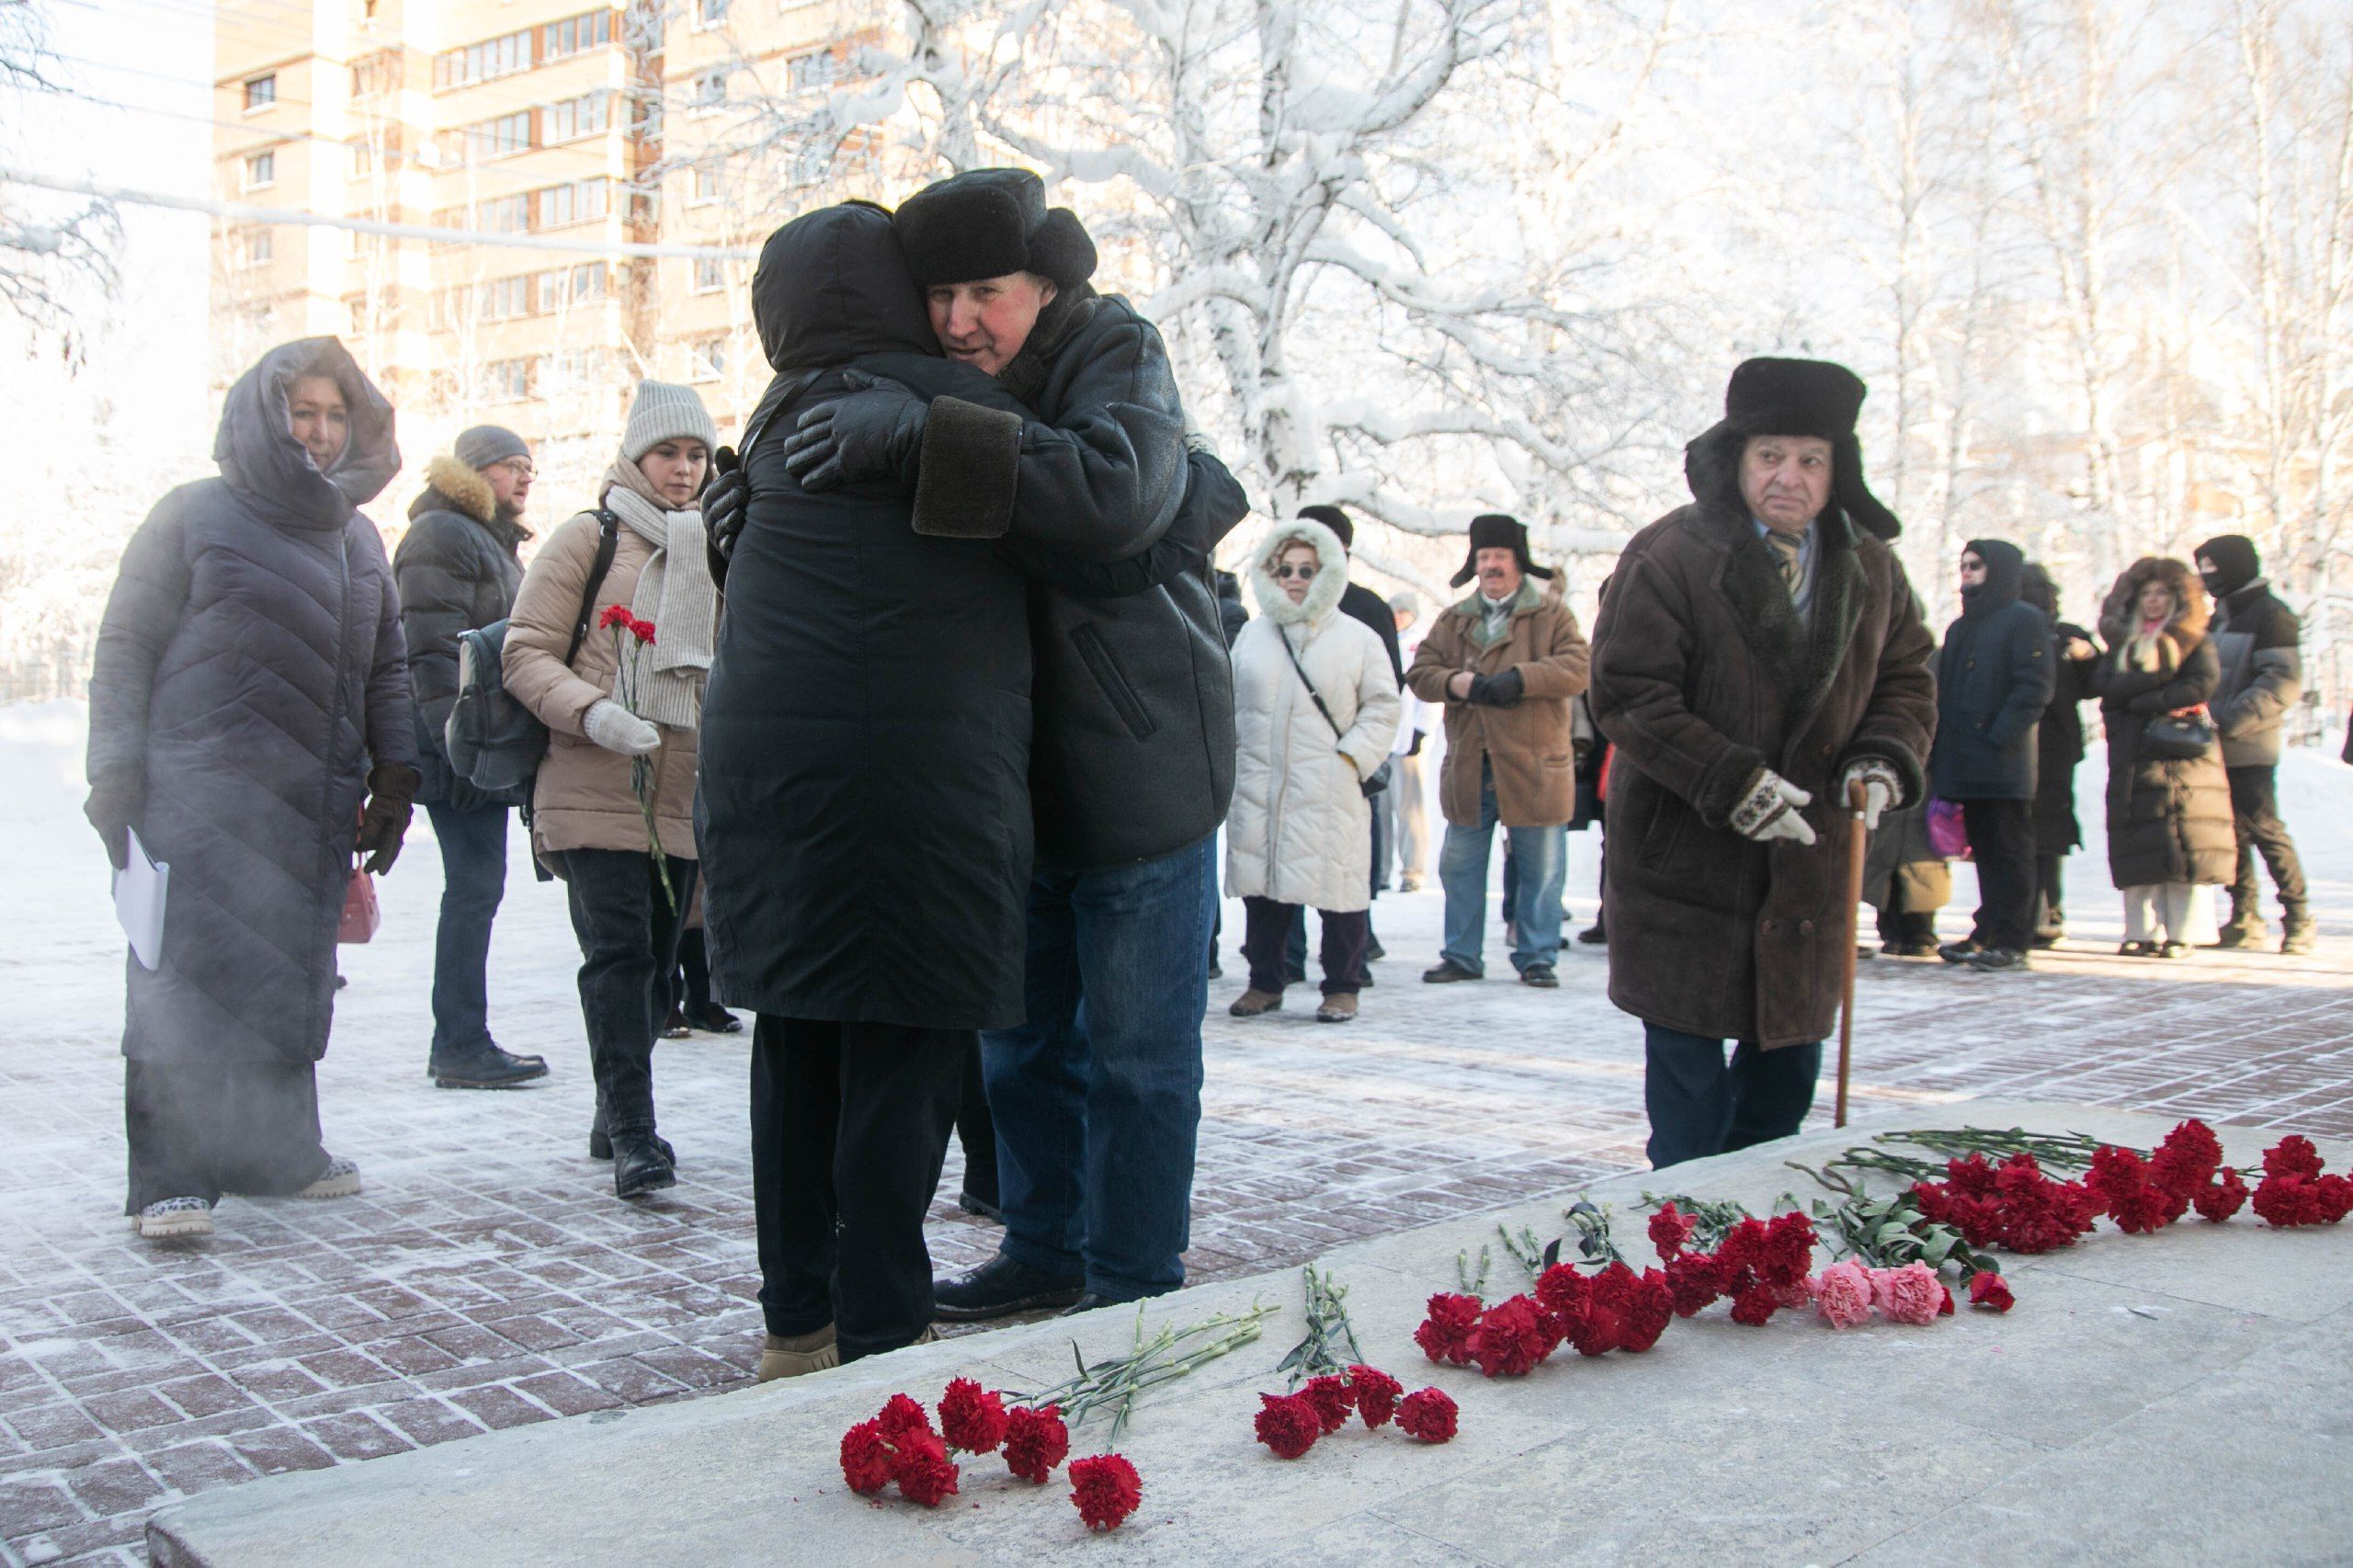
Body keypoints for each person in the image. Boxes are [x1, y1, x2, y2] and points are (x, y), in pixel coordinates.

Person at [864, 169, 1245, 1322]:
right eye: (940, 293)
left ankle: (1131, 1276)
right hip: (1007, 774)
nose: (958, 319)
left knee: (1136, 1056)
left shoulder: (1113, 348)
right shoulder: (939, 372)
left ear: (1046, 284)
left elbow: (1113, 495)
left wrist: (938, 444)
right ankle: (1044, 1244)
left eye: (986, 290)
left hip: (1140, 769)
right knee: (1022, 1049)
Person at [86, 336, 415, 1239]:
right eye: (299, 412)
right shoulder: (192, 515)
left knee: (289, 977)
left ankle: (279, 1153)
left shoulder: (355, 535)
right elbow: (125, 650)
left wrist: (395, 774)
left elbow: (386, 667)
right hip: (191, 798)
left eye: (333, 414)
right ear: (261, 417)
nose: (316, 431)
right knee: (180, 982)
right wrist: (115, 768)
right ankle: (169, 1176)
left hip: (309, 804)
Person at [1587, 357, 1936, 1170]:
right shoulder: (1670, 555)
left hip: (1811, 864)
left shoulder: (1871, 566)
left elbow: (1908, 677)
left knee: (1782, 1087)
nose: (1791, 478)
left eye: (1812, 459)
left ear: (1836, 468)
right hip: (1687, 866)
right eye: (1771, 456)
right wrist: (1731, 781)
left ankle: (1753, 1241)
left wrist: (1884, 756)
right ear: (1737, 457)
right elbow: (1629, 694)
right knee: (1689, 1108)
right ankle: (1677, 1232)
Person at [505, 381, 718, 1199]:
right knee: (620, 958)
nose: (683, 469)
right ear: (636, 454)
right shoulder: (585, 539)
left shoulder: (713, 546)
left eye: (696, 454)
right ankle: (635, 1132)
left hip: (683, 792)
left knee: (662, 970)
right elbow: (524, 653)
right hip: (593, 785)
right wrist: (595, 714)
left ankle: (611, 1105)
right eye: (668, 452)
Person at [392, 425, 548, 1089]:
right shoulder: (444, 536)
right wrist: (460, 752)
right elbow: (430, 652)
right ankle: (458, 1043)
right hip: (461, 745)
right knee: (473, 890)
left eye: (528, 470)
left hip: (479, 742)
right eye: (511, 467)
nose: (522, 479)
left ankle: (460, 1038)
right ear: (474, 473)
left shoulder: (484, 541)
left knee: (476, 889)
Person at [1224, 517, 1402, 1022]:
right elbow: (1230, 705)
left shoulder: (1357, 637)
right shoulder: (1253, 637)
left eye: (1308, 569)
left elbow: (1383, 707)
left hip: (1330, 785)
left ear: (1328, 573)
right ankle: (1265, 982)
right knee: (1264, 887)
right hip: (1262, 784)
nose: (1295, 578)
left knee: (1339, 888)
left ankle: (1343, 985)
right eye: (1285, 569)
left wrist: (1351, 758)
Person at [1406, 514, 1591, 988]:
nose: (1491, 566)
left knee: (1541, 868)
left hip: (1535, 767)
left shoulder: (1552, 615)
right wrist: (1455, 682)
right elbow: (1421, 672)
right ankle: (1462, 955)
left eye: (1500, 557)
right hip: (1471, 765)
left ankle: (1537, 955)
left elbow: (1577, 668)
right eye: (1484, 557)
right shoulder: (1455, 618)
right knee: (1460, 866)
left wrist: (1522, 680)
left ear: (1518, 563)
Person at [2092, 557, 2235, 958]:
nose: (2153, 601)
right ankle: (2139, 930)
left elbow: (2201, 684)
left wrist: (2141, 698)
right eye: (2147, 593)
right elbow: (2104, 684)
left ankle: (2183, 931)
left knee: (2182, 841)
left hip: (2180, 754)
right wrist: (2145, 698)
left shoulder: (2193, 639)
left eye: (2162, 593)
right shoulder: (2122, 644)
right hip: (2133, 756)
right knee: (2137, 840)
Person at [1927, 540, 2053, 971]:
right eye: (1963, 565)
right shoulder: (1962, 627)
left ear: (1997, 570)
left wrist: (1999, 736)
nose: (1967, 573)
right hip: (1966, 759)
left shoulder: (2024, 620)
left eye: (1976, 566)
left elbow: (2034, 686)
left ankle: (2014, 937)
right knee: (1984, 848)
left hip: (2003, 762)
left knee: (2010, 848)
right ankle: (1988, 930)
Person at [2196, 535, 2313, 955]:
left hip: (2250, 742)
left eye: (2212, 565)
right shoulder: (2219, 617)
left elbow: (2281, 680)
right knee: (2228, 833)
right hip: (2212, 743)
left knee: (2264, 827)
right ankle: (2243, 915)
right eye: (2202, 566)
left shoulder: (2271, 614)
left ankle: (2298, 916)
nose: (2206, 576)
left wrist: (2231, 720)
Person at [2019, 563, 2099, 946]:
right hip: (2052, 746)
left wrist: (2088, 657)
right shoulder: (2063, 636)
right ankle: (2043, 911)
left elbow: (2093, 684)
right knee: (2042, 831)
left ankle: (2041, 911)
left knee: (2038, 830)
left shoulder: (2067, 638)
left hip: (2046, 745)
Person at [1388, 589, 1433, 893]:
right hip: (1384, 737)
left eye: (1404, 612)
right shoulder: (1385, 639)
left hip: (1410, 737)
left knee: (1409, 808)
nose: (1399, 617)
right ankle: (1379, 871)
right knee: (1380, 809)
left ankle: (1413, 869)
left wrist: (1421, 729)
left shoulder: (1421, 644)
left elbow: (1427, 693)